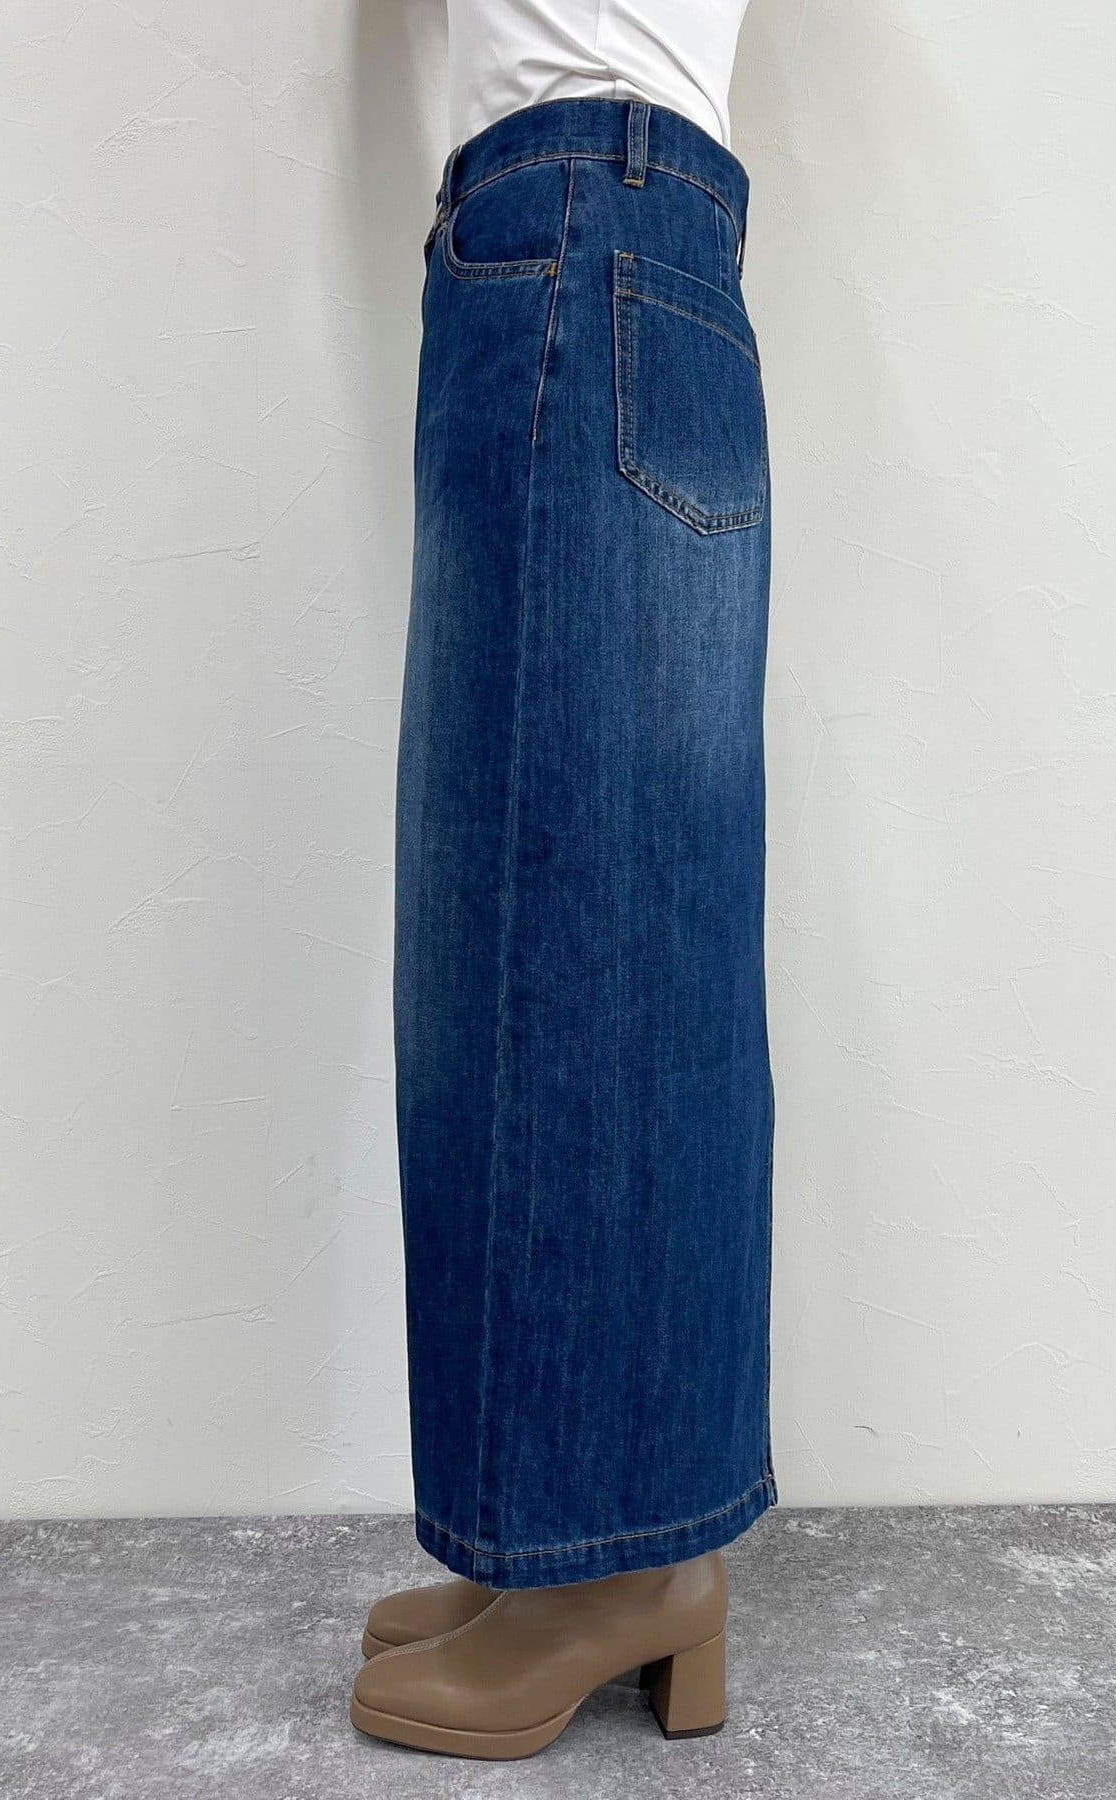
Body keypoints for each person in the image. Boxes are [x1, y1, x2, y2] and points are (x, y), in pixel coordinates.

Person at [350, 0, 772, 1759]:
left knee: (572, 936)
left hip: (578, 226)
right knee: (573, 921)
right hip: (603, 241)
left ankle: (616, 1563)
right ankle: (597, 1536)